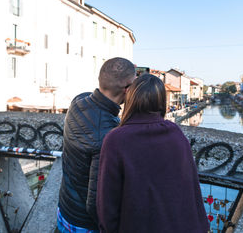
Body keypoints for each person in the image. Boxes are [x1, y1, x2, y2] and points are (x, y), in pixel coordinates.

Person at [97, 74, 209, 233]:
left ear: (131, 99)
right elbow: (191, 186)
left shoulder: (116, 139)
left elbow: (107, 202)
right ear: (161, 101)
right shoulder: (175, 133)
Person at [57, 57, 136, 233]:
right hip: (84, 224)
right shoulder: (108, 135)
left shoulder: (79, 100)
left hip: (65, 210)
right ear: (127, 88)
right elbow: (97, 200)